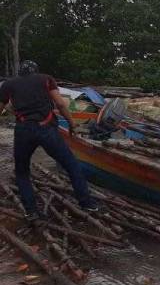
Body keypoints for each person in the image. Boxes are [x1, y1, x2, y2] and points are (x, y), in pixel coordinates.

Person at [0, 60, 97, 221]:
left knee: (22, 172)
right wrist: (72, 124)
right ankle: (87, 203)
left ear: (20, 72)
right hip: (46, 128)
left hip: (23, 130)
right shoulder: (45, 79)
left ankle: (31, 212)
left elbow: (2, 108)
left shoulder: (8, 85)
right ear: (36, 71)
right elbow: (60, 103)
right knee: (71, 165)